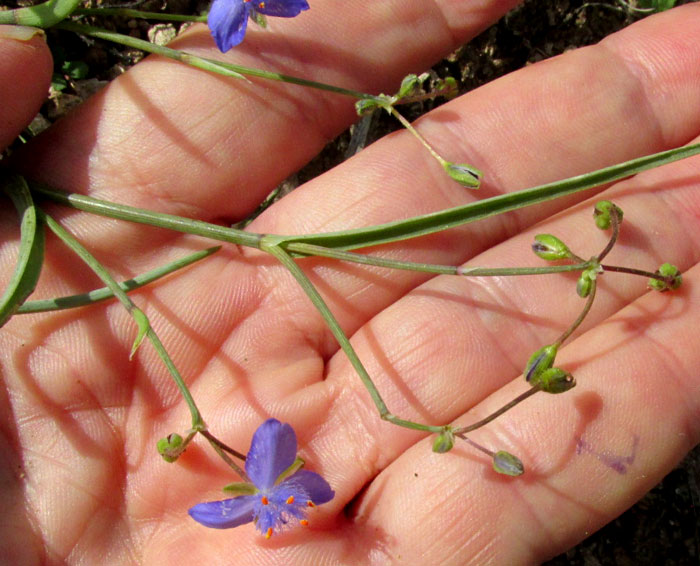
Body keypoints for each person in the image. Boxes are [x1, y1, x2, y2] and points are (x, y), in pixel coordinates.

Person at [1, 2, 699, 563]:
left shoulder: (262, 479)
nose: (278, 507)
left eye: (269, 503)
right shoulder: (264, 488)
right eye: (274, 504)